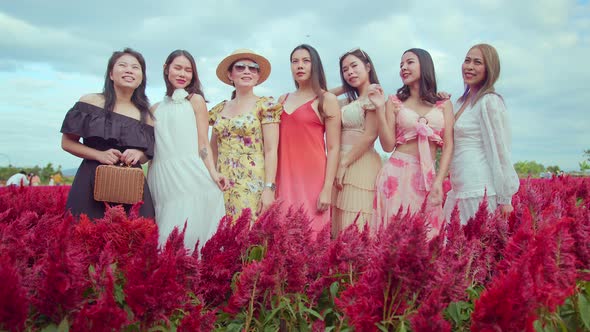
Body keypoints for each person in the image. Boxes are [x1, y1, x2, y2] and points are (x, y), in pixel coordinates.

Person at [60, 48, 155, 219]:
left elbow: (147, 155)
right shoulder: (90, 102)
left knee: (134, 237)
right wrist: (99, 155)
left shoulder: (146, 115)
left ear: (141, 77)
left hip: (131, 186)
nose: (129, 70)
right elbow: (67, 143)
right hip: (91, 179)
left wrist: (138, 153)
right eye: (123, 65)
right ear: (111, 74)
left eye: (135, 67)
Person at [148, 50, 227, 250]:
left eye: (188, 70)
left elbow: (203, 143)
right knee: (165, 230)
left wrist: (213, 172)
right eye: (178, 68)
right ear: (166, 69)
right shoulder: (154, 109)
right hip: (162, 176)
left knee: (190, 229)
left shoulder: (196, 101)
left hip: (189, 172)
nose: (183, 74)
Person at [371, 48, 454, 238]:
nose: (403, 68)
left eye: (409, 62)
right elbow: (387, 146)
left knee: (428, 236)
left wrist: (439, 181)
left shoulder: (444, 103)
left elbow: (449, 145)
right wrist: (379, 108)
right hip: (396, 175)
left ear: (424, 65)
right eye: (401, 64)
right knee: (394, 237)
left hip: (427, 177)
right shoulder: (394, 101)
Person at [443, 44, 519, 224]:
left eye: (477, 62)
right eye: (467, 60)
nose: (469, 66)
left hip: (478, 188)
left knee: (474, 247)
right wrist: (441, 104)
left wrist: (505, 199)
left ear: (489, 69)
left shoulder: (489, 101)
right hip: (459, 186)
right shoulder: (459, 102)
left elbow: (501, 150)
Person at [209, 49, 282, 221]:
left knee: (248, 234)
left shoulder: (266, 106)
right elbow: (213, 150)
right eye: (240, 67)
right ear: (230, 75)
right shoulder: (219, 109)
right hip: (220, 182)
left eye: (253, 68)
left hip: (252, 183)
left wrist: (269, 188)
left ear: (257, 76)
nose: (247, 71)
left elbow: (271, 150)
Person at [277, 44, 341, 236]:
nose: (300, 66)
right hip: (284, 178)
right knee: (283, 238)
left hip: (313, 180)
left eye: (306, 61)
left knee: (312, 240)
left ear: (315, 65)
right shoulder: (282, 99)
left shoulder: (326, 99)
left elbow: (334, 147)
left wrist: (327, 188)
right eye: (295, 61)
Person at [331, 48, 382, 234]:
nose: (350, 72)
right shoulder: (347, 102)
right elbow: (319, 98)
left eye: (354, 66)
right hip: (340, 161)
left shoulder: (374, 94)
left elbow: (370, 135)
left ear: (368, 66)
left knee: (357, 220)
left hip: (360, 162)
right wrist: (346, 86)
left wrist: (344, 163)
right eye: (345, 70)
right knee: (340, 222)